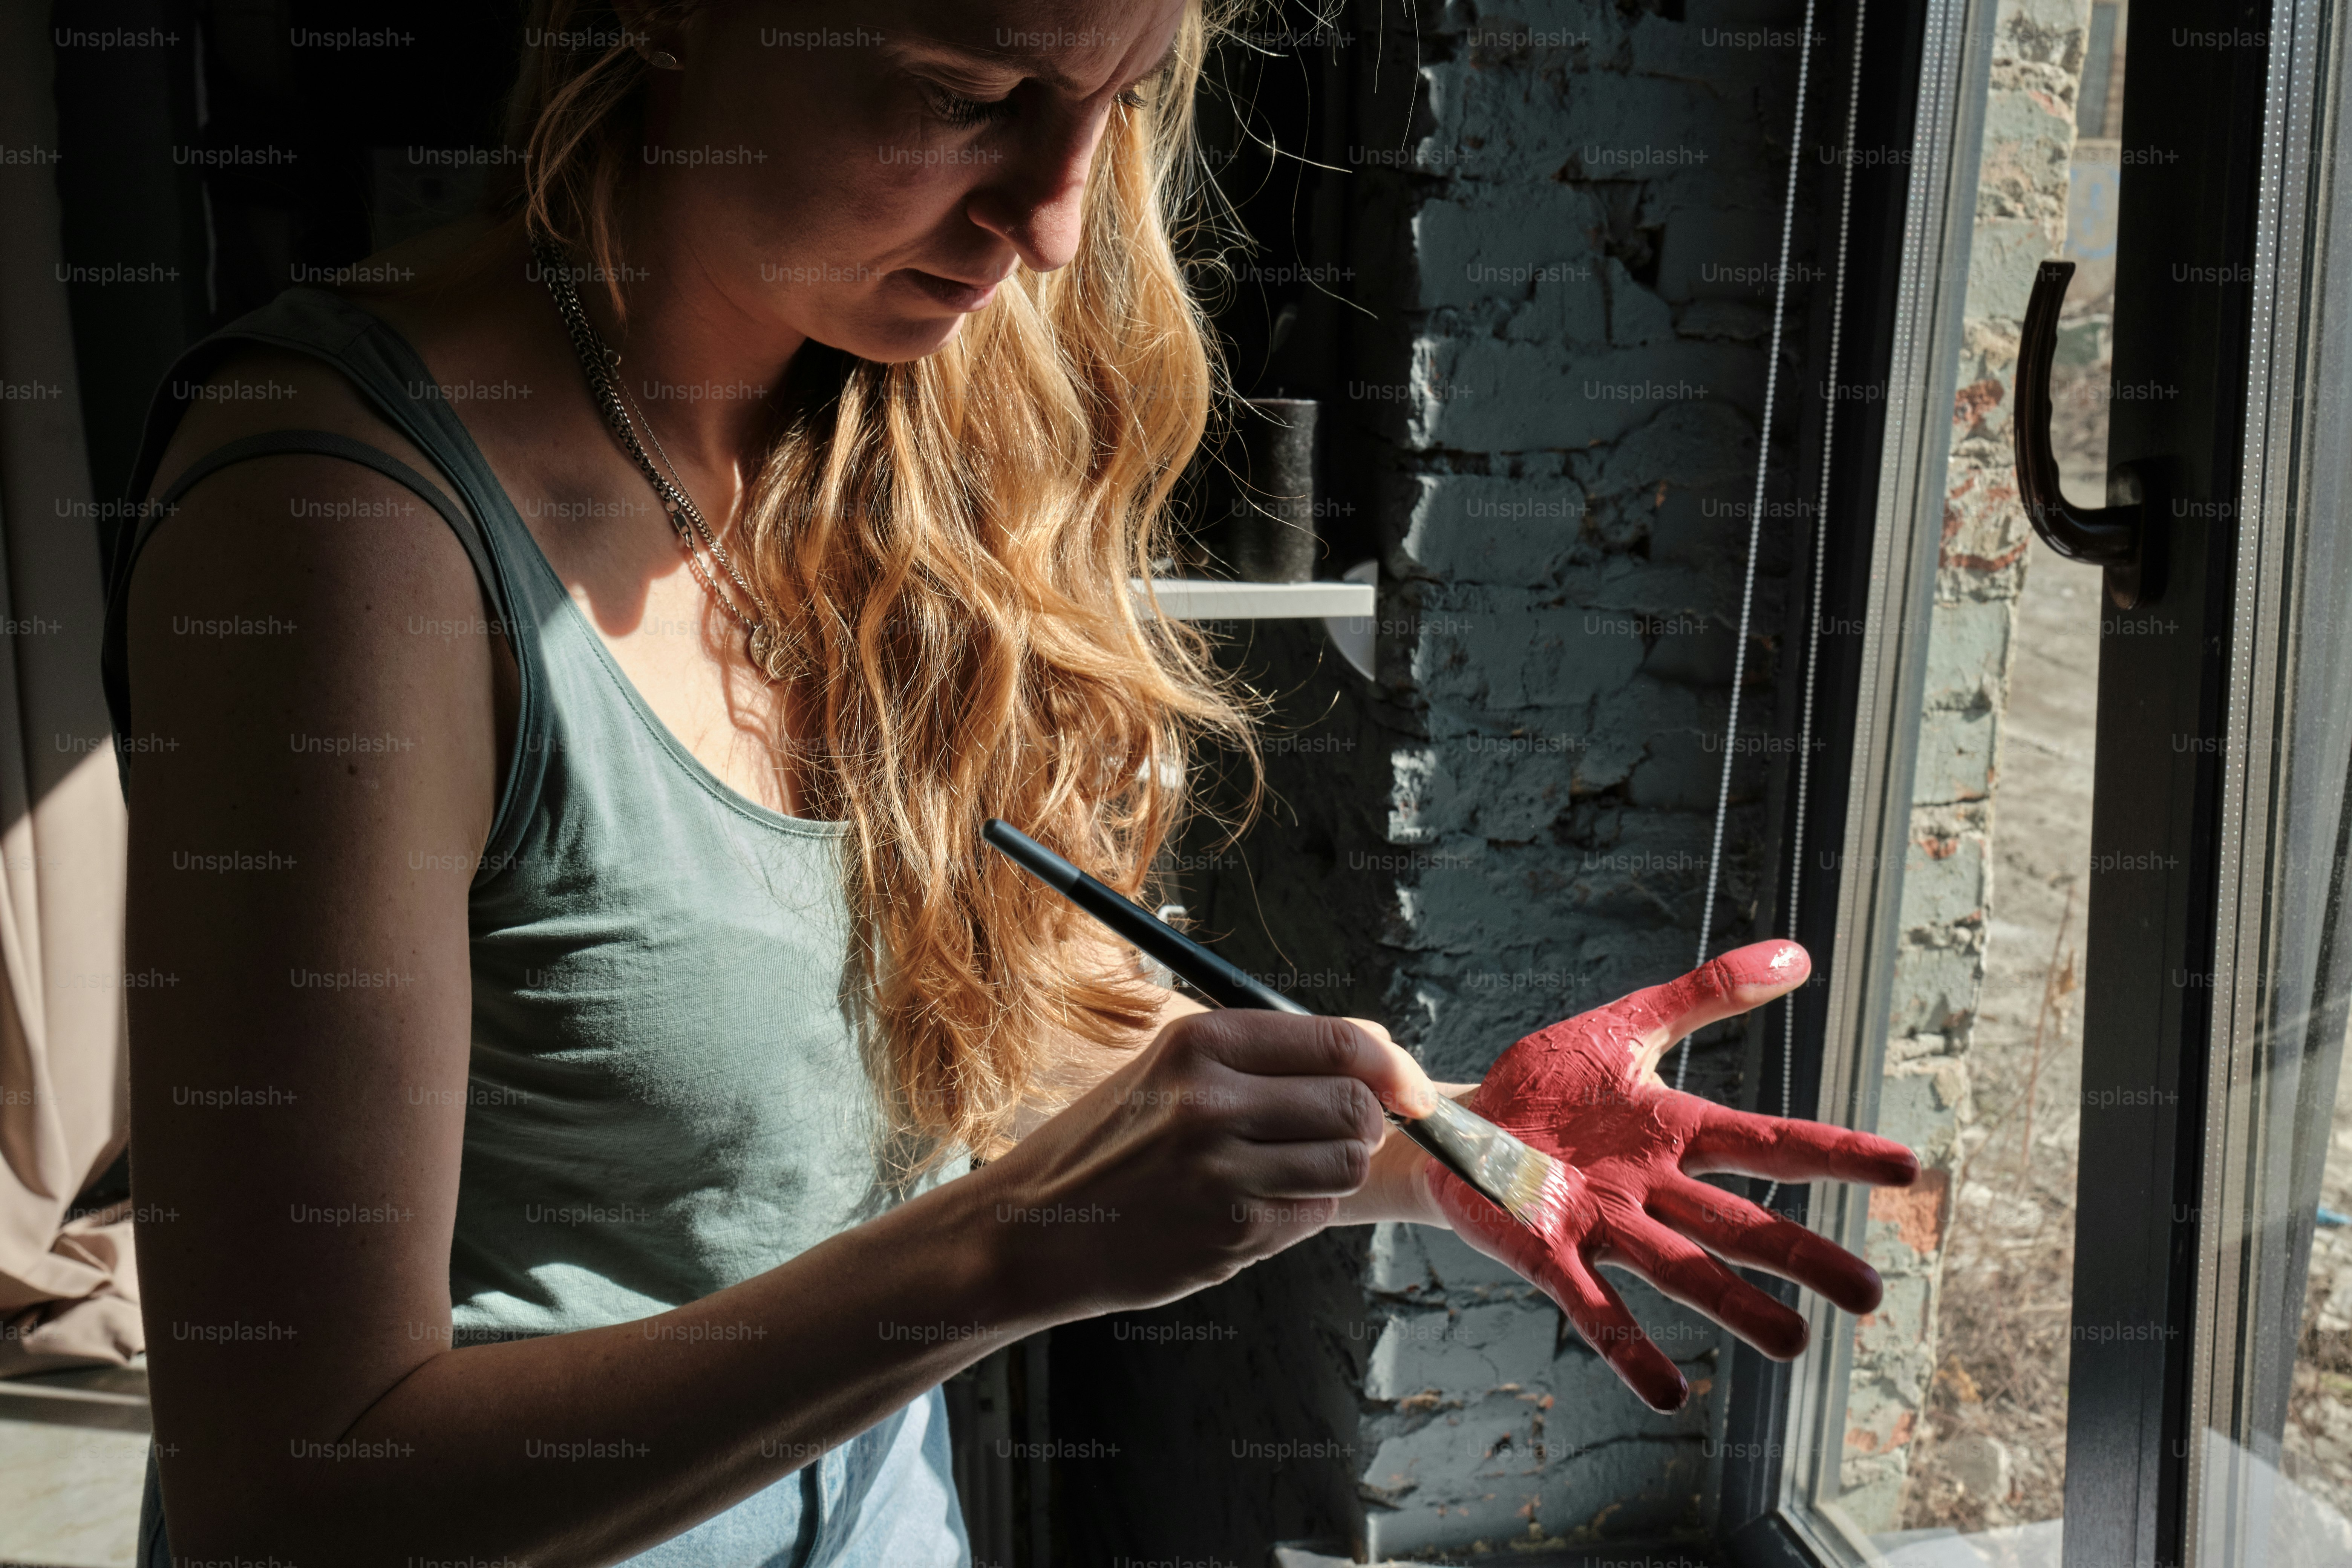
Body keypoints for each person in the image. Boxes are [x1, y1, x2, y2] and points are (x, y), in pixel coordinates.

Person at [104, 2, 1916, 1563]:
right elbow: (295, 1498)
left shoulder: (883, 427)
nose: (1053, 225)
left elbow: (864, 1040)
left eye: (1116, 96)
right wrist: (1008, 1252)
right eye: (964, 89)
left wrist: (1443, 1135)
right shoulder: (337, 539)